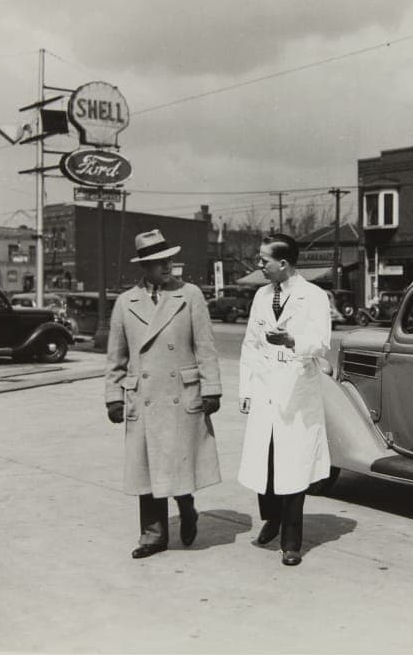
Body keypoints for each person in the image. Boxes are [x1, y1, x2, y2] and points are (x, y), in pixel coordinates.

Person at [105, 229, 222, 559]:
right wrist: (113, 395)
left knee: (178, 463)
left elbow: (206, 347)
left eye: (168, 258)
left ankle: (187, 508)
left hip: (180, 393)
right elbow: (117, 356)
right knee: (147, 468)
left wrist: (211, 388)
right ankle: (153, 536)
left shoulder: (191, 295)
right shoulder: (125, 303)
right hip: (143, 395)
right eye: (158, 262)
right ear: (144, 267)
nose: (167, 265)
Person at [237, 233, 332, 566]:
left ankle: (291, 540)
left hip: (296, 391)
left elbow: (322, 344)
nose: (259, 265)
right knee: (265, 462)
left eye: (264, 260)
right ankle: (271, 520)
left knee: (293, 467)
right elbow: (250, 343)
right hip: (265, 391)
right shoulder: (262, 296)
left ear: (283, 263)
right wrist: (246, 389)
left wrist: (292, 340)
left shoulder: (315, 297)